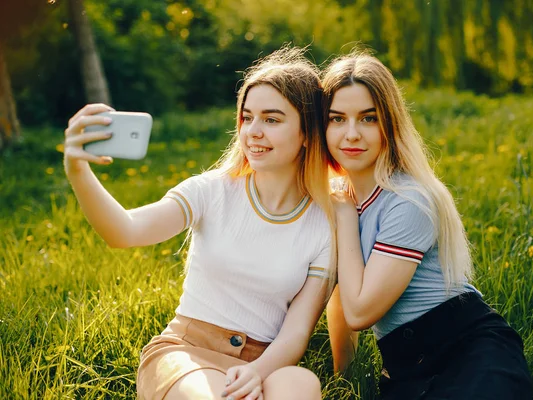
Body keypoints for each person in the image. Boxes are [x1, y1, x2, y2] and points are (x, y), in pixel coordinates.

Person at [62, 47, 336, 400]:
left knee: (302, 385)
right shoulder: (210, 191)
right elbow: (124, 231)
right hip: (185, 355)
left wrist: (257, 371)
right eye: (247, 117)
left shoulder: (323, 224)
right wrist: (77, 171)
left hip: (263, 363)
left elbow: (297, 332)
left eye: (271, 119)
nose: (253, 131)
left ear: (306, 133)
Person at [322, 52, 533, 399]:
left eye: (368, 118)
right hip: (407, 367)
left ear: (390, 123)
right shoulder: (339, 198)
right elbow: (342, 299)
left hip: (468, 350)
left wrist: (344, 217)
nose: (351, 134)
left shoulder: (409, 201)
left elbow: (359, 311)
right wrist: (342, 381)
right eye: (336, 119)